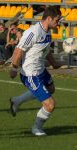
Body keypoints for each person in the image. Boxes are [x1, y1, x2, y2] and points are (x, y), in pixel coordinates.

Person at [9, 6, 62, 136]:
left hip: (41, 70)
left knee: (50, 89)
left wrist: (53, 63)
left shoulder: (47, 31)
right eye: (57, 20)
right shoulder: (33, 32)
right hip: (30, 74)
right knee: (50, 104)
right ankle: (36, 128)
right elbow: (18, 49)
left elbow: (46, 49)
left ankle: (17, 101)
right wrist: (14, 68)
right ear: (48, 18)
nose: (58, 22)